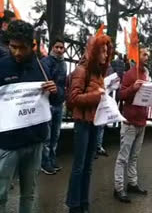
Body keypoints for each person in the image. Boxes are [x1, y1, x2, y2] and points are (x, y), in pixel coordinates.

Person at [0, 20, 60, 213]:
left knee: (29, 194)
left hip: (35, 142)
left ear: (32, 46)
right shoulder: (2, 66)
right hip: (7, 143)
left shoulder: (42, 67)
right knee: (0, 193)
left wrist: (55, 91)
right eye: (13, 47)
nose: (17, 52)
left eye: (22, 48)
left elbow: (58, 98)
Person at [66, 34, 113, 213]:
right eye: (102, 51)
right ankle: (74, 205)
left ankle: (84, 203)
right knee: (79, 166)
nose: (105, 55)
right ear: (94, 51)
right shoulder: (82, 70)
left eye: (107, 52)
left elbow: (99, 95)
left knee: (88, 166)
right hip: (83, 124)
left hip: (95, 122)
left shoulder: (99, 71)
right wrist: (97, 96)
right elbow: (73, 98)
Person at [113, 48, 150, 203]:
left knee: (134, 156)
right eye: (144, 54)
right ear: (137, 55)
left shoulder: (145, 74)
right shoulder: (129, 74)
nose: (147, 57)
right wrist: (132, 88)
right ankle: (119, 188)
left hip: (141, 121)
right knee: (123, 157)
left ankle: (132, 183)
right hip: (129, 122)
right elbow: (120, 95)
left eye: (148, 55)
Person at [41, 37, 67, 175]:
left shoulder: (63, 64)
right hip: (48, 103)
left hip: (59, 103)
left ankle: (52, 159)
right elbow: (46, 81)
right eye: (56, 47)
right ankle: (45, 162)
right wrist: (56, 89)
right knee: (47, 136)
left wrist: (62, 94)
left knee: (55, 135)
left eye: (61, 48)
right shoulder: (46, 62)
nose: (59, 50)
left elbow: (63, 84)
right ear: (52, 48)